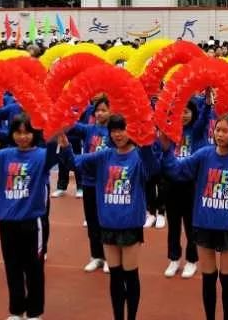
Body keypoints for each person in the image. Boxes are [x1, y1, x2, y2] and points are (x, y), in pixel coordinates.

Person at [0, 114, 66, 320]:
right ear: (12, 133)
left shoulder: (42, 156)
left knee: (33, 268)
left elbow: (54, 153)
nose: (23, 137)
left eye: (27, 132)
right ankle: (16, 310)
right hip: (7, 223)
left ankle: (34, 312)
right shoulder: (4, 155)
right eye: (18, 132)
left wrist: (55, 129)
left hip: (33, 223)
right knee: (12, 267)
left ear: (34, 134)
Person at [60, 114, 161, 320]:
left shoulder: (140, 157)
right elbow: (73, 163)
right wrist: (63, 142)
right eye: (114, 130)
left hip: (130, 225)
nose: (118, 134)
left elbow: (153, 169)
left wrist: (147, 141)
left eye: (122, 129)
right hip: (108, 225)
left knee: (130, 275)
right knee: (115, 276)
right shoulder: (104, 156)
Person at [161, 115, 228, 320]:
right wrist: (166, 149)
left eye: (225, 131)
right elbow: (177, 171)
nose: (220, 134)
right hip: (204, 223)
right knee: (208, 278)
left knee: (226, 277)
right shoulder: (204, 154)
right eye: (217, 130)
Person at [163, 99, 210, 280]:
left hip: (191, 184)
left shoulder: (196, 132)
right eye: (180, 112)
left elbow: (205, 117)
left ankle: (192, 260)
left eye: (187, 112)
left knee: (191, 225)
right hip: (171, 183)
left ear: (193, 113)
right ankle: (174, 259)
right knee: (173, 224)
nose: (183, 115)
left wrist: (207, 103)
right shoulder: (170, 132)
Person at [68, 96, 112, 273]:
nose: (100, 113)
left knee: (106, 221)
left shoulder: (115, 131)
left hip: (107, 183)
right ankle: (96, 256)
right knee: (92, 220)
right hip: (89, 181)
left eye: (104, 110)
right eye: (98, 110)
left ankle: (110, 256)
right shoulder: (89, 129)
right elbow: (70, 125)